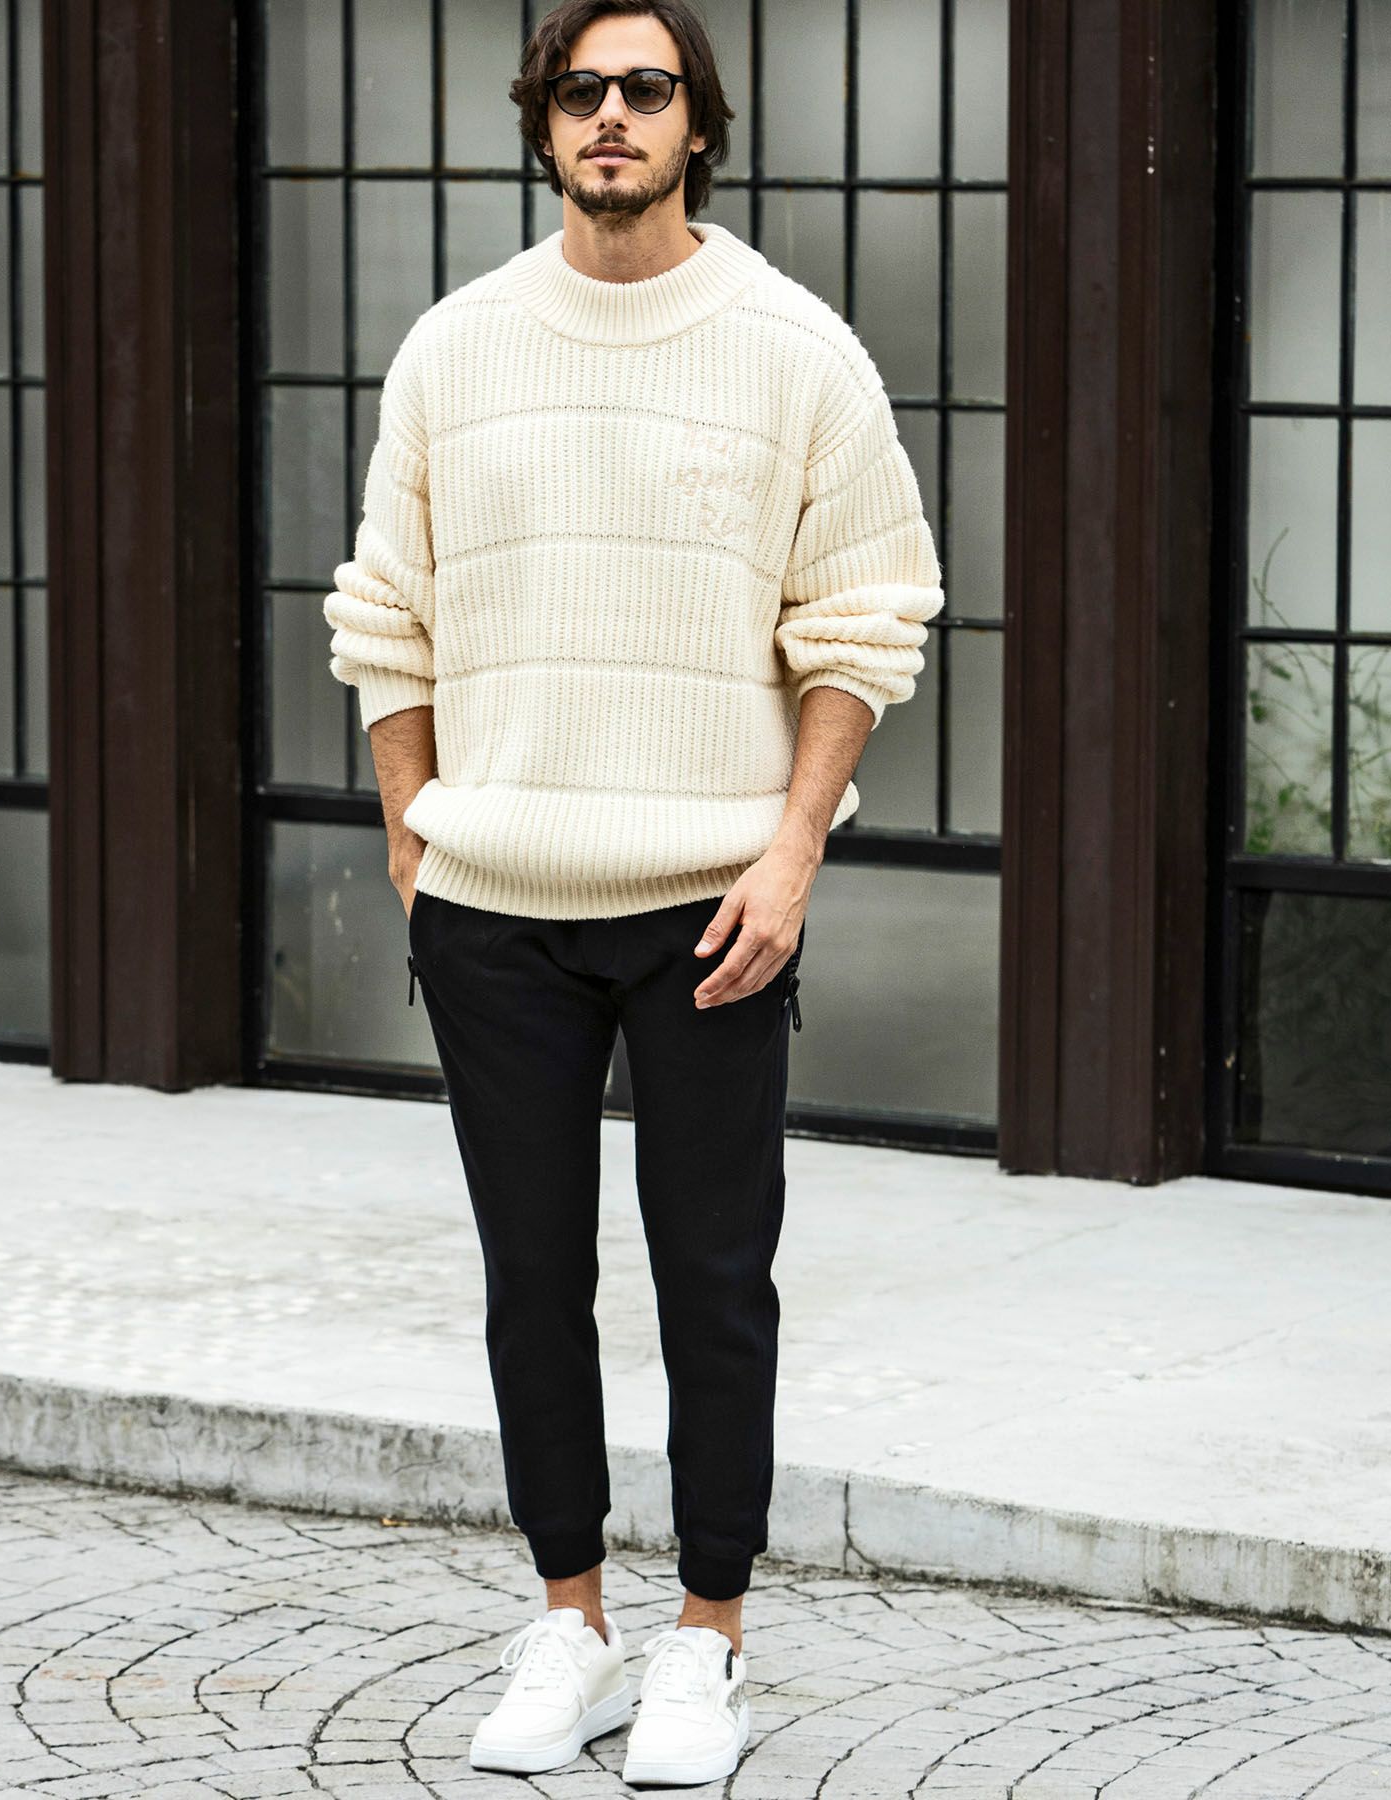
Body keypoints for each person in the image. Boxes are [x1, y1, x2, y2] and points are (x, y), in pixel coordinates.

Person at [323, 0, 943, 1785]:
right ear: (543, 124)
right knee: (533, 1279)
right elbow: (387, 612)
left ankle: (709, 1641)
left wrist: (793, 849)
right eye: (581, 89)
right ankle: (573, 1623)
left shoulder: (795, 350)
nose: (612, 114)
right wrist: (413, 835)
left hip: (710, 907)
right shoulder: (453, 350)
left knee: (713, 1282)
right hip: (495, 902)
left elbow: (867, 617)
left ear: (698, 126)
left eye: (646, 89)